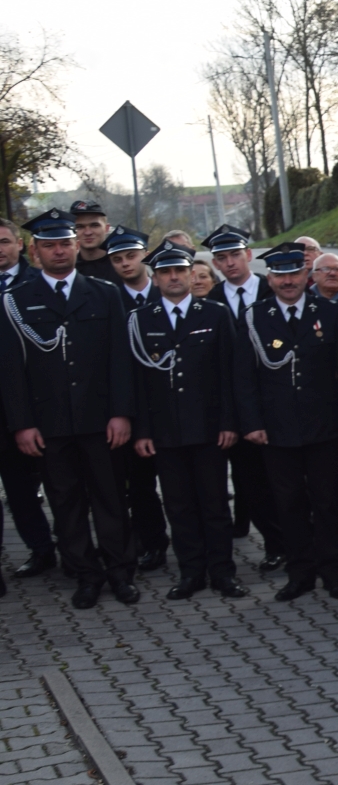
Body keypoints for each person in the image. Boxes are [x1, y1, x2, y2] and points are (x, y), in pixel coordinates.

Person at [0, 210, 137, 608]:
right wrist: (22, 425)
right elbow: (12, 371)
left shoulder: (105, 294)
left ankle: (119, 572)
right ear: (35, 251)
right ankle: (85, 574)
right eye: (49, 245)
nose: (58, 251)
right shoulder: (15, 301)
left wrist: (121, 413)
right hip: (50, 423)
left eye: (65, 243)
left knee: (111, 499)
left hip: (100, 420)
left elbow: (120, 360)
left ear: (77, 245)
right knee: (66, 503)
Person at [239, 242, 338, 601]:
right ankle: (300, 574)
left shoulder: (327, 312)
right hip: (275, 431)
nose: (288, 281)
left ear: (306, 275)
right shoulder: (254, 316)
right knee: (289, 504)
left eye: (294, 273)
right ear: (270, 278)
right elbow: (244, 377)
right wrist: (252, 422)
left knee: (326, 503)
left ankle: (335, 574)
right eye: (280, 274)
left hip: (322, 426)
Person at [129, 243, 249, 600]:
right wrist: (143, 431)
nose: (173, 277)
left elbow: (231, 374)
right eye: (165, 272)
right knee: (178, 506)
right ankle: (191, 573)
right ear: (155, 277)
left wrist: (230, 423)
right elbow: (136, 382)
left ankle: (223, 573)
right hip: (165, 432)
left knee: (214, 505)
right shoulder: (140, 319)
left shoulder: (213, 313)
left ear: (189, 273)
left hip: (209, 429)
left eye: (179, 270)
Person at [205, 224, 281, 570]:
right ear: (215, 265)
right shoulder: (211, 303)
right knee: (251, 485)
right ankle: (275, 544)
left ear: (248, 255)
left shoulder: (273, 290)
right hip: (237, 410)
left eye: (235, 254)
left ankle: (297, 542)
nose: (230, 262)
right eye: (222, 258)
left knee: (284, 482)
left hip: (277, 405)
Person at [104, 227, 168, 572]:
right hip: (134, 407)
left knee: (179, 485)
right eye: (117, 259)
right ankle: (153, 542)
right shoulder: (109, 299)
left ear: (144, 255)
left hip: (173, 404)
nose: (125, 264)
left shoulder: (169, 290)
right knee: (140, 487)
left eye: (130, 256)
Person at [0, 218, 57, 579]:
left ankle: (61, 547)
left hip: (36, 404)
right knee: (16, 488)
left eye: (4, 241)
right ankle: (38, 550)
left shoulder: (38, 284)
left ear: (20, 245)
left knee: (46, 483)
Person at [71, 200, 118, 282]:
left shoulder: (122, 265)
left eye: (94, 225)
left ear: (106, 228)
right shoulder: (68, 268)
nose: (88, 232)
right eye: (79, 227)